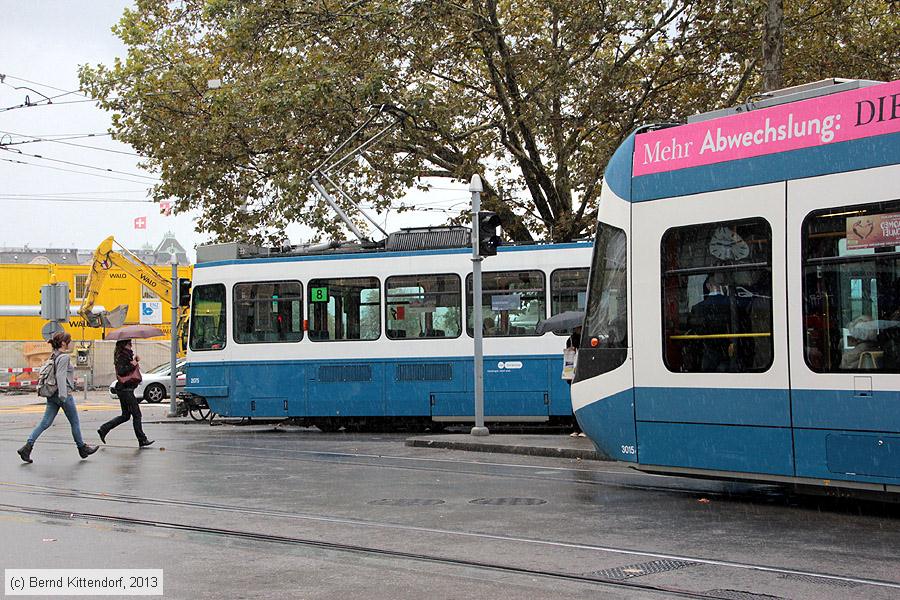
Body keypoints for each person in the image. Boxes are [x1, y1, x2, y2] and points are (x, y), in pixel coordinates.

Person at [17, 332, 99, 463]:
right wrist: (63, 395)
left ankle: (27, 447)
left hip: (52, 394)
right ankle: (82, 448)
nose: (71, 343)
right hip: (62, 394)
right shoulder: (64, 357)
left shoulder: (53, 355)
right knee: (75, 422)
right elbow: (60, 376)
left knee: (45, 423)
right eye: (69, 341)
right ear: (63, 343)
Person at [98, 339, 154, 447]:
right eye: (129, 343)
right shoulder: (121, 355)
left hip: (124, 389)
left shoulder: (125, 354)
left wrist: (134, 361)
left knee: (125, 416)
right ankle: (142, 439)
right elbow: (121, 371)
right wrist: (133, 364)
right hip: (125, 390)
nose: (131, 345)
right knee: (137, 414)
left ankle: (103, 429)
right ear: (124, 345)